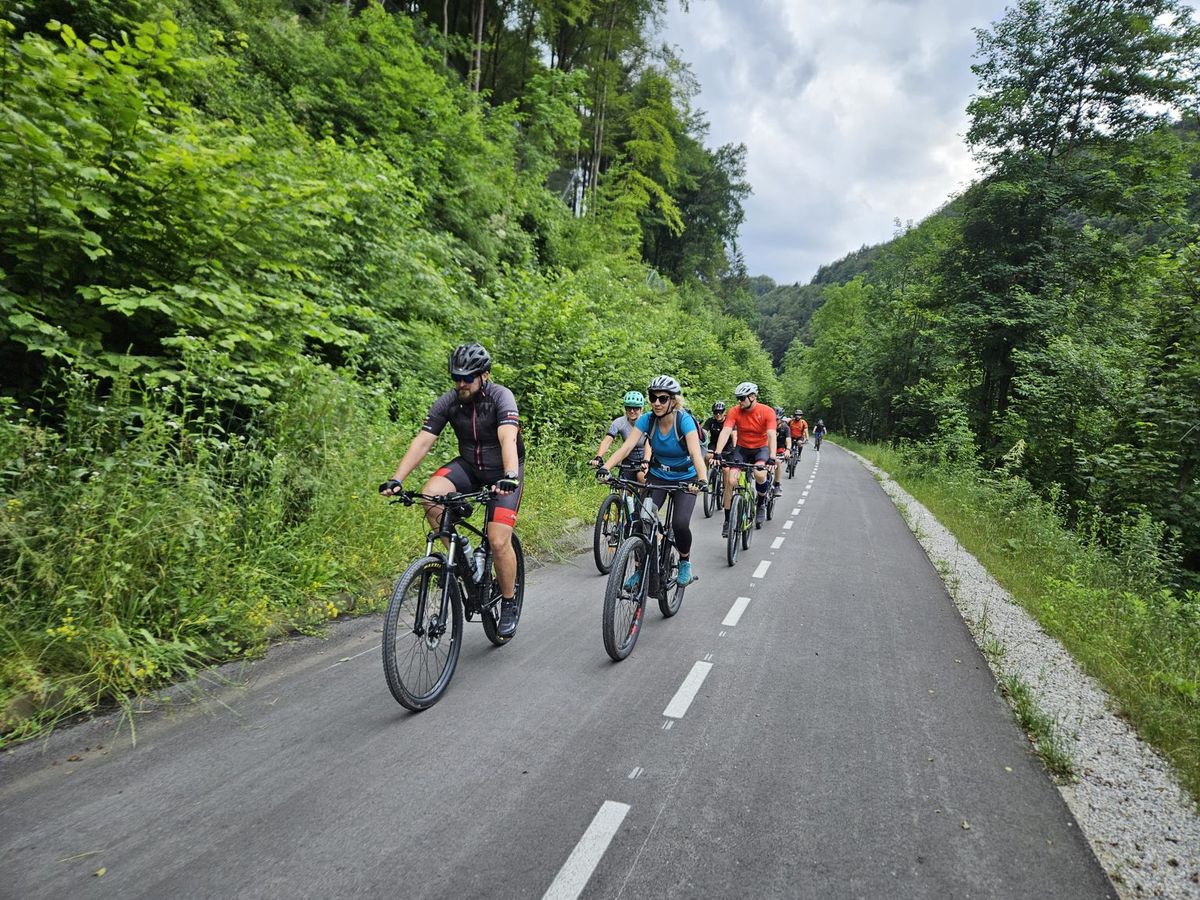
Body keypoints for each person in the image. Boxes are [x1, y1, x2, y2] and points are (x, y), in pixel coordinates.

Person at [379, 343, 523, 636]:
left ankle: (508, 602)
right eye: (456, 377)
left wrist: (509, 475)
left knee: (497, 541)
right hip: (470, 466)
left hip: (504, 470)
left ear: (484, 375)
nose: (460, 383)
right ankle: (463, 554)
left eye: (467, 378)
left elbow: (508, 437)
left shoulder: (500, 397)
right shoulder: (450, 401)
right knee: (431, 497)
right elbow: (423, 441)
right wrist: (397, 479)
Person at [598, 375, 708, 586]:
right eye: (653, 397)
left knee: (680, 523)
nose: (657, 402)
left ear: (673, 400)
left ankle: (685, 562)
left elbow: (695, 454)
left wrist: (702, 480)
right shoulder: (647, 419)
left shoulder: (683, 420)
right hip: (658, 475)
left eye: (663, 398)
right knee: (641, 519)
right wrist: (605, 467)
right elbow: (626, 447)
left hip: (686, 478)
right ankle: (640, 571)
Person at [710, 382, 777, 534]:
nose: (739, 401)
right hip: (742, 449)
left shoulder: (767, 412)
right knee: (731, 480)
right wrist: (718, 452)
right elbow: (726, 430)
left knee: (760, 474)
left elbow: (772, 434)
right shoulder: (735, 411)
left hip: (761, 449)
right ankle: (728, 519)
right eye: (738, 398)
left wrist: (772, 457)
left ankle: (761, 502)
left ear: (753, 397)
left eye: (742, 398)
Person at [590, 391, 651, 483]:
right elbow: (607, 440)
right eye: (628, 408)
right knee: (624, 486)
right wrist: (598, 457)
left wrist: (646, 460)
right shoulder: (619, 422)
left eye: (635, 408)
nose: (631, 411)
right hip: (629, 459)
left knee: (641, 478)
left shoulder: (646, 422)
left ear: (641, 409)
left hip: (646, 458)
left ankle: (644, 496)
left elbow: (649, 444)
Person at [772, 406, 790, 495]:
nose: (775, 421)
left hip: (780, 448)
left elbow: (788, 440)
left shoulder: (785, 428)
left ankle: (777, 485)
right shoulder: (767, 426)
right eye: (773, 419)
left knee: (778, 462)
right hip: (767, 448)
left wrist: (788, 450)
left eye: (777, 419)